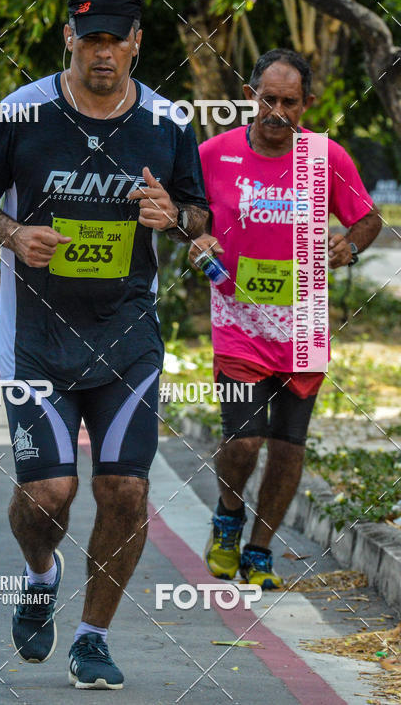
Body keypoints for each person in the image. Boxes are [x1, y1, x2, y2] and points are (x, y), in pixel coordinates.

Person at [0, 0, 208, 689]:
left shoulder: (167, 123)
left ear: (136, 43)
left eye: (114, 41)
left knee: (124, 492)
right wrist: (11, 232)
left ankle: (92, 636)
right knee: (49, 495)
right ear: (68, 37)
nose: (102, 54)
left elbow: (197, 215)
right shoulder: (23, 113)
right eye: (88, 39)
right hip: (37, 337)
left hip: (127, 336)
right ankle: (40, 574)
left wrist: (174, 219)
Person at [189, 48, 382, 590]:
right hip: (237, 326)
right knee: (245, 441)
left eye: (289, 102)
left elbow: (367, 219)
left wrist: (350, 247)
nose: (277, 111)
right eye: (267, 99)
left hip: (303, 329)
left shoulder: (326, 158)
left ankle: (259, 550)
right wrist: (194, 236)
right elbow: (190, 217)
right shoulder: (213, 154)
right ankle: (228, 514)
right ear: (249, 97)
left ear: (307, 105)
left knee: (288, 449)